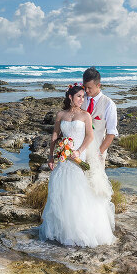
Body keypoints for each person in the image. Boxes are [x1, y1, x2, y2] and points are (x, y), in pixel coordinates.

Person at [38, 84, 115, 247]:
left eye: (83, 96)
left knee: (79, 192)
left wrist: (79, 151)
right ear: (70, 97)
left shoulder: (85, 115)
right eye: (79, 96)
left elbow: (90, 136)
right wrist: (51, 156)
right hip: (64, 159)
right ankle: (64, 230)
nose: (82, 99)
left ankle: (81, 231)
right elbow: (55, 136)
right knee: (62, 191)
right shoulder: (61, 114)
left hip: (79, 158)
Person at [80, 67, 117, 200]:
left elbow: (111, 133)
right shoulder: (80, 99)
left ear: (98, 85)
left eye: (89, 88)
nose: (86, 91)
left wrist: (99, 153)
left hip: (97, 152)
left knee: (95, 187)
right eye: (84, 87)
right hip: (78, 150)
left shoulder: (109, 104)